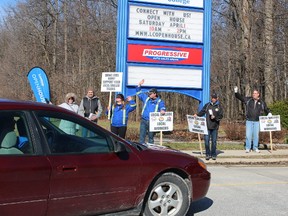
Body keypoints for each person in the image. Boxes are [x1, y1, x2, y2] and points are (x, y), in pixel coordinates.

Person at [234, 86, 271, 153]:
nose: (254, 94)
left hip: (257, 121)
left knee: (256, 135)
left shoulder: (262, 102)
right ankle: (248, 148)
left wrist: (269, 113)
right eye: (253, 93)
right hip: (249, 121)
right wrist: (236, 92)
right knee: (248, 135)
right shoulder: (248, 100)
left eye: (255, 93)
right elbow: (240, 97)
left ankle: (255, 148)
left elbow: (266, 108)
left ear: (258, 94)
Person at [194, 93, 223, 160]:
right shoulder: (207, 105)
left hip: (215, 127)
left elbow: (221, 116)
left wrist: (215, 117)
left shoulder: (219, 106)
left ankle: (213, 154)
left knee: (214, 142)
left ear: (217, 99)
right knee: (206, 141)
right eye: (212, 98)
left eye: (215, 98)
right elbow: (202, 112)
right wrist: (197, 115)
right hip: (207, 126)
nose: (213, 99)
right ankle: (207, 154)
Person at [136, 79, 166, 144]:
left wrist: (162, 110)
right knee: (142, 137)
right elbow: (139, 93)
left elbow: (163, 107)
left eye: (151, 93)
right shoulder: (146, 99)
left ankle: (151, 150)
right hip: (144, 120)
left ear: (155, 94)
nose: (149, 94)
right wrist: (139, 85)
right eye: (149, 93)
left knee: (151, 137)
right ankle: (141, 151)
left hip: (152, 121)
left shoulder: (159, 101)